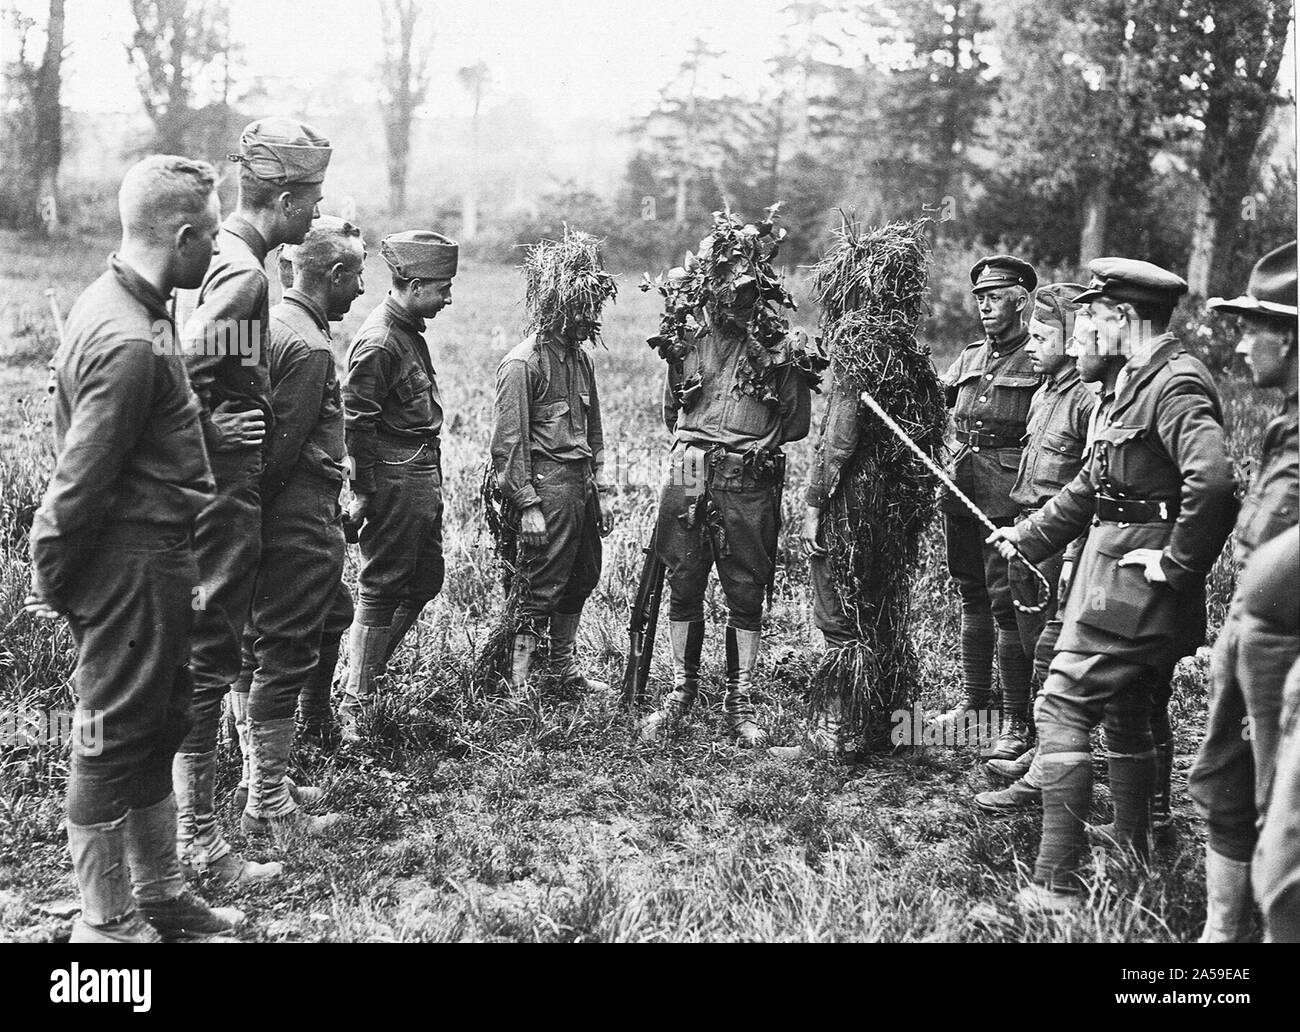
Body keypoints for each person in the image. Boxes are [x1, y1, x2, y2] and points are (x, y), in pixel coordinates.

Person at [26, 155, 242, 941]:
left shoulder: (138, 304)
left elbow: (152, 435)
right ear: (181, 236)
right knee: (111, 732)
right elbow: (76, 487)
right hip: (129, 563)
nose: (216, 252)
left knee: (158, 721)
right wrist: (64, 583)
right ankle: (106, 924)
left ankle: (159, 894)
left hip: (156, 557)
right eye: (211, 236)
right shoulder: (127, 337)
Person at [990, 257, 1238, 912]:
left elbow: (1213, 482)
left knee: (1062, 706)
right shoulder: (1136, 382)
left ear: (1124, 317)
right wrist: (1030, 535)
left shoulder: (1175, 383)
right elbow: (1093, 486)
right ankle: (1135, 847)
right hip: (1117, 566)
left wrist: (1178, 564)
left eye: (1096, 314)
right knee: (1128, 710)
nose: (1089, 326)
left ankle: (1055, 883)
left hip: (1133, 581)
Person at [173, 117, 331, 884]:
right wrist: (208, 423)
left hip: (219, 488)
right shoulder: (244, 276)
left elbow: (220, 367)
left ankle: (235, 813)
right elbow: (164, 370)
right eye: (314, 199)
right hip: (218, 493)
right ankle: (197, 839)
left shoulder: (226, 258)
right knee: (207, 664)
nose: (315, 216)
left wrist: (220, 407)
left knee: (218, 653)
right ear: (290, 198)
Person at [638, 210, 815, 747]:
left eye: (744, 285)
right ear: (708, 284)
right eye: (723, 283)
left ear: (761, 284)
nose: (732, 296)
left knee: (746, 587)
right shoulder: (685, 339)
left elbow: (797, 422)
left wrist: (743, 446)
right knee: (683, 578)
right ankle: (681, 690)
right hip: (689, 472)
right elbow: (673, 410)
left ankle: (740, 701)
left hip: (748, 479)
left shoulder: (782, 346)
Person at [233, 217, 367, 841]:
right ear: (334, 275)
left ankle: (257, 777)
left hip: (268, 520)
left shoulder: (275, 324)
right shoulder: (310, 346)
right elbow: (280, 455)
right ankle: (268, 802)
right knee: (283, 655)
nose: (362, 288)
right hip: (295, 520)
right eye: (358, 275)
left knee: (252, 649)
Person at [1187, 240, 1298, 941]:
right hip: (1251, 636)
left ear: (1287, 337)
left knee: (1282, 806)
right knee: (1223, 776)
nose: (1240, 347)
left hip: (1288, 659)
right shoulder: (1286, 421)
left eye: (1252, 328)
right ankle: (1222, 936)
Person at [971, 283, 1094, 798]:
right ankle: (1036, 742)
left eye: (1045, 335)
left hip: (1055, 540)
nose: (1035, 344)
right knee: (1024, 638)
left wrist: (1068, 557)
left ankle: (1053, 756)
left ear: (1070, 341)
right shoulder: (1046, 391)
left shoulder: (1087, 400)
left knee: (1051, 651)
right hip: (1027, 532)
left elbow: (1091, 486)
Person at [340, 230, 458, 740]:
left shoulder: (407, 330)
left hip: (417, 472)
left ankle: (367, 673)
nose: (448, 297)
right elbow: (355, 423)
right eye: (442, 287)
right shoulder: (380, 340)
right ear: (411, 284)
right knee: (382, 585)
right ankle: (355, 702)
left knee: (424, 579)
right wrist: (365, 491)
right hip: (392, 477)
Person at [490, 230, 617, 697]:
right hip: (547, 487)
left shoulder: (580, 360)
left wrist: (601, 490)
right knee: (538, 584)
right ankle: (517, 683)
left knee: (582, 575)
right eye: (583, 309)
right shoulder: (523, 365)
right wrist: (527, 505)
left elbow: (595, 430)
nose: (591, 318)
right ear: (558, 307)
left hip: (579, 485)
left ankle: (562, 667)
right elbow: (508, 444)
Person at [935, 255, 1041, 735]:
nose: (984, 306)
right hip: (962, 490)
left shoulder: (1040, 358)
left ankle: (1017, 717)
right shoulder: (971, 356)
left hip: (1008, 496)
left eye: (995, 297)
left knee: (1007, 602)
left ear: (1022, 302)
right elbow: (935, 399)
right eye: (979, 298)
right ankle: (975, 702)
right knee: (970, 594)